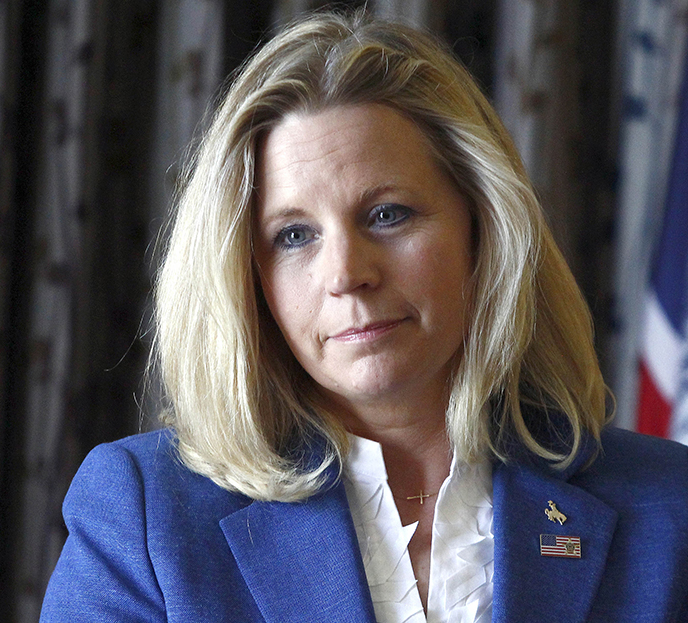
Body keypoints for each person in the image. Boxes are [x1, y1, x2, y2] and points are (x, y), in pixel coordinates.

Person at [41, 11, 688, 622]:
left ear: (483, 229)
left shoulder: (668, 507)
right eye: (294, 235)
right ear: (248, 277)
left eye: (388, 214)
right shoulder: (144, 515)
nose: (348, 273)